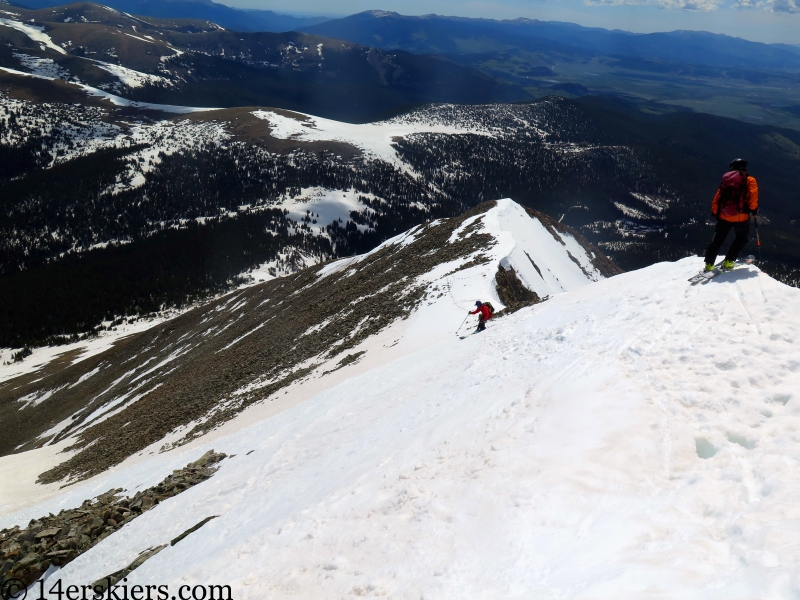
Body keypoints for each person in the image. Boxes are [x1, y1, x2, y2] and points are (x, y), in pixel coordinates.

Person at [703, 158, 759, 272]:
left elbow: (717, 198)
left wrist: (716, 213)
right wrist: (753, 210)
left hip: (724, 216)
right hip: (741, 217)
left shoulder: (726, 181)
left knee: (717, 241)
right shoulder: (750, 180)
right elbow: (753, 196)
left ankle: (709, 265)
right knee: (741, 239)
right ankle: (729, 262)